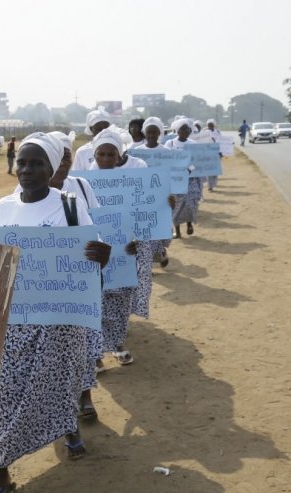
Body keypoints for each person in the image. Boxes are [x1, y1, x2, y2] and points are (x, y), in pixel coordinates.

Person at [0, 132, 110, 493]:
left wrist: (101, 256)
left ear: (52, 167)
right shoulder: (3, 207)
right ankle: (1, 470)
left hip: (61, 318)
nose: (26, 169)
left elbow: (92, 255)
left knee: (61, 382)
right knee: (8, 391)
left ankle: (69, 429)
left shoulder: (70, 205)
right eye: (22, 162)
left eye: (36, 163)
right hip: (17, 318)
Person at [89, 129, 152, 371]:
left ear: (119, 156)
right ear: (94, 155)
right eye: (100, 154)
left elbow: (142, 212)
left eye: (110, 154)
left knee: (119, 302)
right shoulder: (82, 183)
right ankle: (95, 355)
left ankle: (116, 344)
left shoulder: (127, 183)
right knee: (94, 302)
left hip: (124, 249)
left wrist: (137, 238)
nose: (105, 159)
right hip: (95, 252)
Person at [136, 117, 172, 268]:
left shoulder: (167, 152)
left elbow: (175, 175)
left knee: (159, 228)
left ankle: (160, 251)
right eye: (149, 132)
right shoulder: (135, 152)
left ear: (159, 133)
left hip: (162, 198)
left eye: (154, 132)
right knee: (146, 229)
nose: (151, 135)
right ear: (145, 133)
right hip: (141, 198)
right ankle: (149, 262)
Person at [166, 118, 202, 238]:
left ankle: (189, 224)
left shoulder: (193, 145)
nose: (186, 131)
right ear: (177, 130)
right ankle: (177, 230)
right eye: (183, 129)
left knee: (189, 202)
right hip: (174, 180)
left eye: (188, 129)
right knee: (175, 205)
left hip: (189, 179)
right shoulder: (170, 144)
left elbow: (196, 161)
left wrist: (188, 170)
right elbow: (165, 160)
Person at [71, 107, 111, 171]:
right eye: (98, 129)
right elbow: (77, 177)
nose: (102, 132)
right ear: (91, 129)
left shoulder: (118, 151)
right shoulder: (82, 152)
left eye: (106, 128)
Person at [206, 119, 222, 191]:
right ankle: (210, 186)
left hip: (216, 153)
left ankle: (214, 183)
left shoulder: (217, 132)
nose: (210, 126)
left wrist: (221, 152)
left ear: (214, 125)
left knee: (215, 170)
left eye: (211, 125)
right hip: (207, 154)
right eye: (209, 125)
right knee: (209, 170)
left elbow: (221, 142)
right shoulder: (205, 132)